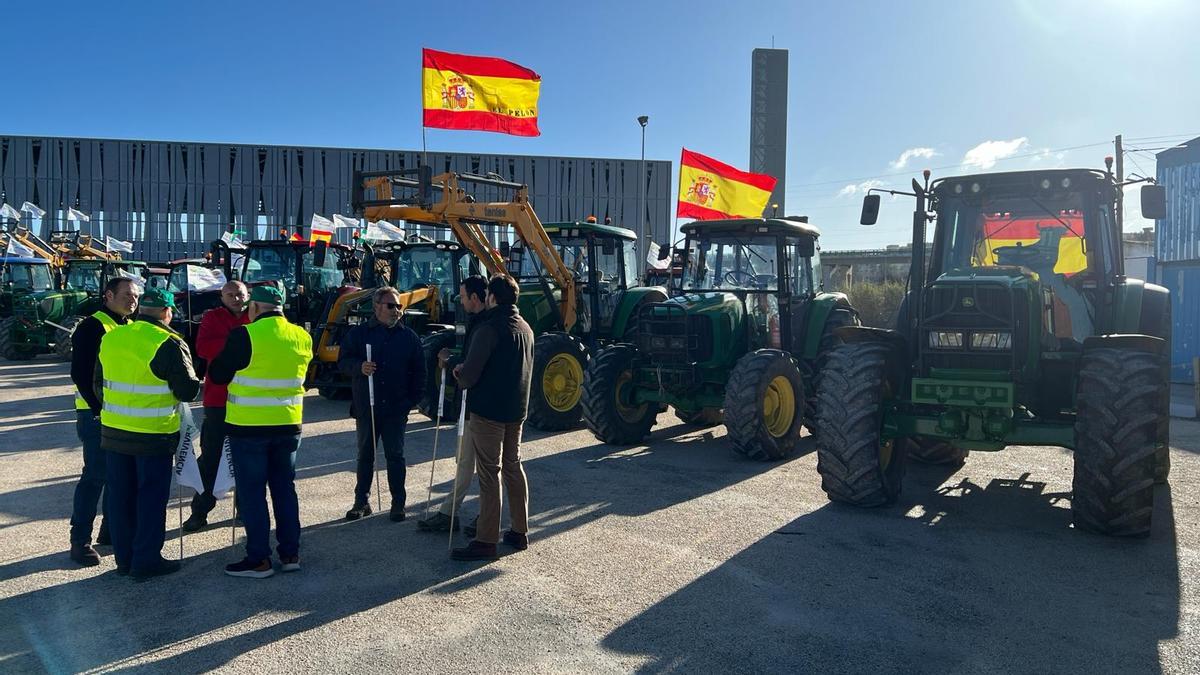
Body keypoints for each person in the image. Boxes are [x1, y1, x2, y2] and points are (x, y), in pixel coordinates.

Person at [95, 287, 201, 580]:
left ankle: (124, 561)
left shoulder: (112, 336)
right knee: (150, 499)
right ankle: (146, 561)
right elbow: (186, 390)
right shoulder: (169, 342)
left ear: (142, 309)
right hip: (152, 435)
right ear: (167, 313)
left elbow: (97, 384)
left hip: (114, 433)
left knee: (120, 498)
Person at [208, 285, 312, 578]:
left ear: (254, 308)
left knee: (252, 493)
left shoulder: (245, 335)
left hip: (249, 427)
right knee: (284, 489)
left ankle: (259, 559)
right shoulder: (302, 336)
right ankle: (290, 553)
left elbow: (218, 374)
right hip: (289, 425)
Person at [450, 274, 534, 561]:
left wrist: (459, 374)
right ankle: (520, 530)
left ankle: (486, 540)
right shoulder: (526, 328)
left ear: (492, 298)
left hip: (488, 411)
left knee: (489, 474)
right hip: (516, 410)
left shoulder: (489, 329)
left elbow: (471, 375)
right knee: (513, 466)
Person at [337, 286, 425, 521]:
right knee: (365, 455)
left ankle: (398, 503)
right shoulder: (359, 334)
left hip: (396, 408)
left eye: (399, 306)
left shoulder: (409, 338)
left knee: (395, 456)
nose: (396, 310)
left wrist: (409, 402)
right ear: (376, 307)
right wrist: (359, 368)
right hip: (368, 407)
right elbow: (342, 362)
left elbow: (420, 374)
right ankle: (361, 502)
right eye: (391, 305)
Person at [67, 276, 138, 567]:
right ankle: (79, 541)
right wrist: (97, 409)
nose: (133, 301)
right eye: (127, 295)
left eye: (136, 296)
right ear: (108, 295)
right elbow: (80, 374)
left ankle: (110, 532)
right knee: (95, 476)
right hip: (95, 414)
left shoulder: (129, 326)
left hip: (120, 415)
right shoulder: (92, 326)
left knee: (118, 476)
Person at [417, 274, 487, 533]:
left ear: (475, 298)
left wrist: (451, 363)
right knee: (465, 462)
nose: (459, 298)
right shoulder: (476, 323)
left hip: (477, 407)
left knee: (481, 466)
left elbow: (474, 363)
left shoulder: (485, 326)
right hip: (467, 406)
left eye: (463, 294)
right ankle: (451, 512)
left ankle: (480, 516)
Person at [183, 281, 249, 531]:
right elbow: (203, 347)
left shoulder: (255, 317)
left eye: (240, 294)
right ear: (222, 297)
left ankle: (245, 509)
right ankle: (200, 511)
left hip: (248, 402)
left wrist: (231, 346)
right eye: (230, 294)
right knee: (210, 458)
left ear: (247, 295)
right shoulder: (212, 318)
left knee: (247, 459)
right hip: (218, 400)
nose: (236, 298)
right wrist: (240, 346)